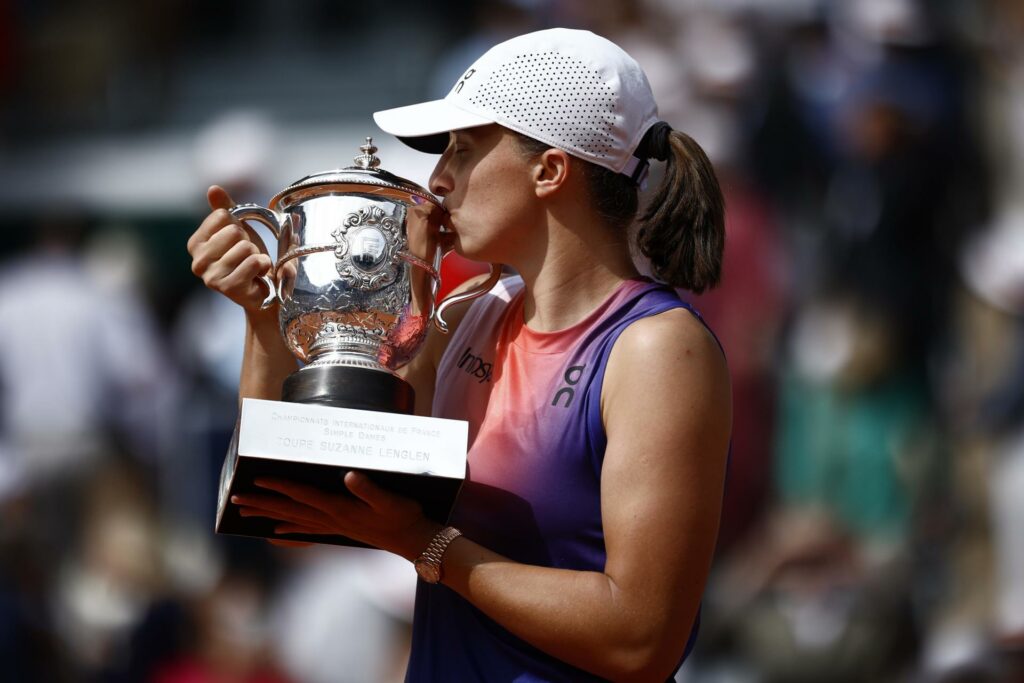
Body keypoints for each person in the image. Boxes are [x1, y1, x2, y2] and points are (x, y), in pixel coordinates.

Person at [187, 28, 731, 682]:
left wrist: (428, 545)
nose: (438, 178)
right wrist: (265, 316)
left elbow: (642, 640)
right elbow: (296, 506)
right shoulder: (470, 311)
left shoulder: (658, 348)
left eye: (464, 150)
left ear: (550, 170)